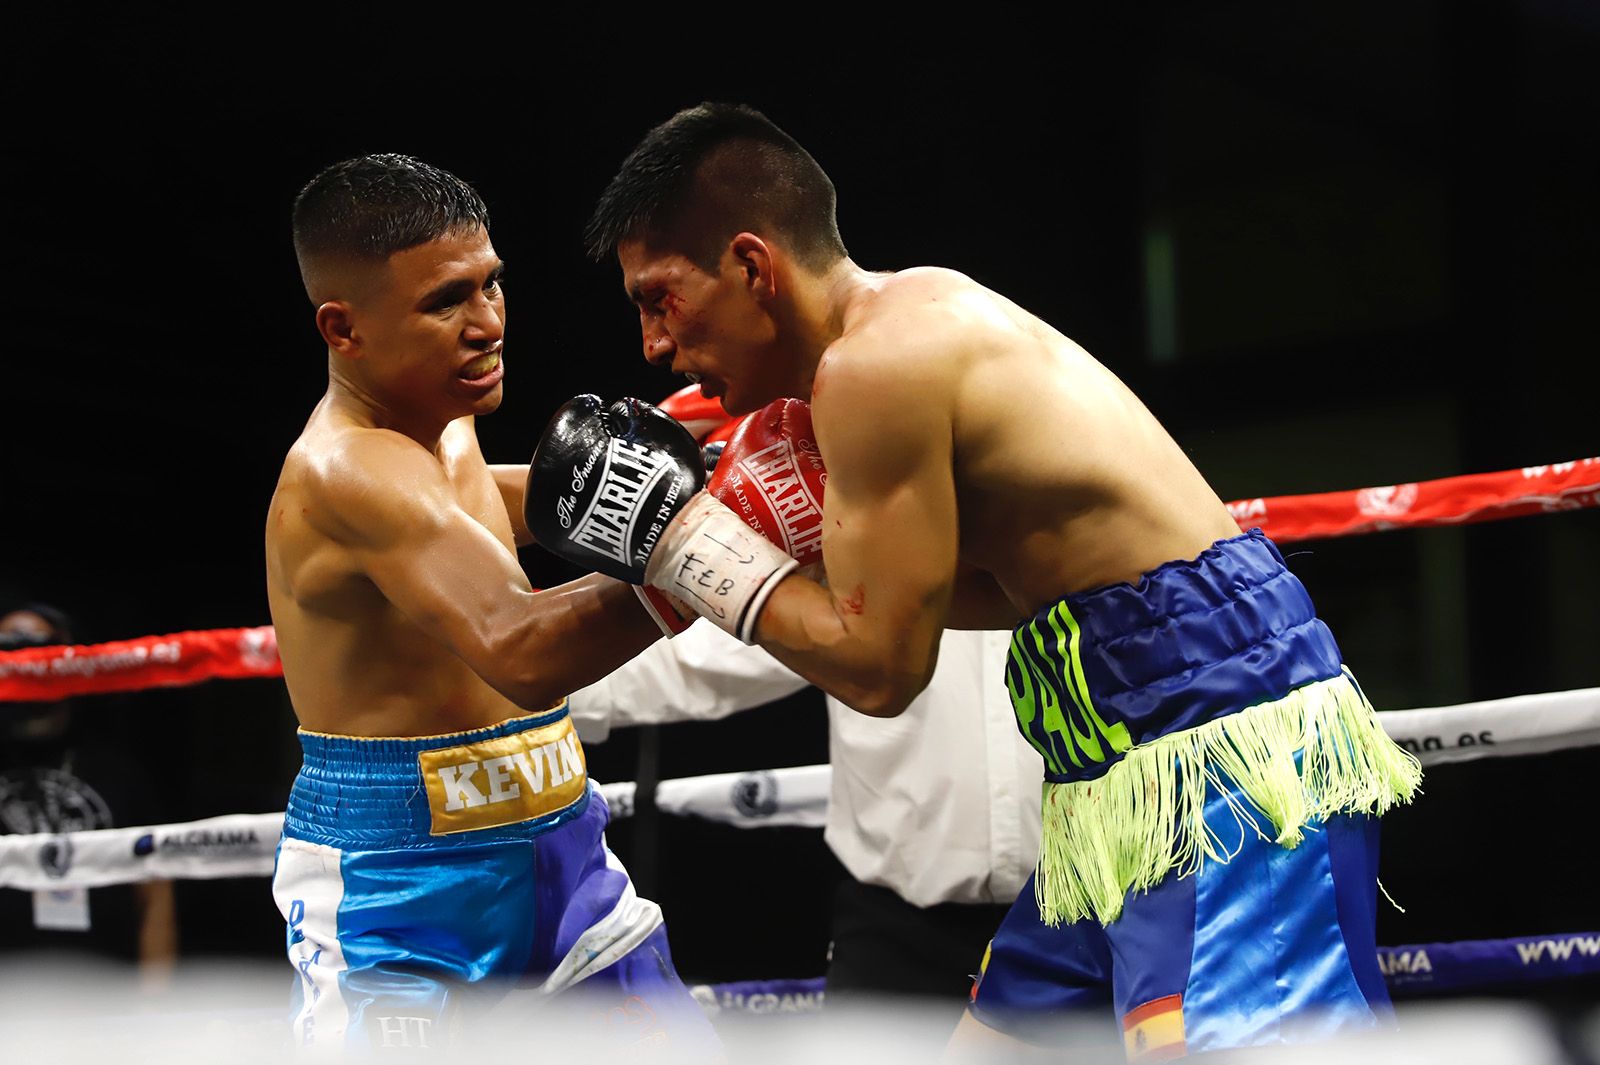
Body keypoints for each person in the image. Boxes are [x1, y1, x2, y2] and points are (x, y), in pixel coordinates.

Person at [532, 102, 1424, 1058]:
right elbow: (997, 591)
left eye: (659, 297)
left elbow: (880, 669)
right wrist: (792, 548)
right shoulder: (909, 314)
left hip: (1217, 753)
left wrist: (687, 540)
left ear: (753, 266)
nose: (653, 345)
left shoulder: (877, 368)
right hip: (1113, 762)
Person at [265, 153, 718, 1056]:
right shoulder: (345, 470)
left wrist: (631, 487)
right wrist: (713, 552)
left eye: (491, 285)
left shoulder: (440, 416)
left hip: (563, 839)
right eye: (445, 302)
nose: (486, 323)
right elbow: (523, 649)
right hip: (407, 891)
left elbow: (462, 510)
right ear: (342, 327)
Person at [568, 392, 1042, 1026]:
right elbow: (695, 666)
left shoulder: (1077, 552)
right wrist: (501, 689)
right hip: (898, 937)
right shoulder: (854, 558)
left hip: (1077, 916)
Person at [0, 602, 178, 992]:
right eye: (7, 648)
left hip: (100, 989)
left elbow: (154, 890)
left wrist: (157, 1001)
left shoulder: (118, 770)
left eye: (36, 647)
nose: (22, 659)